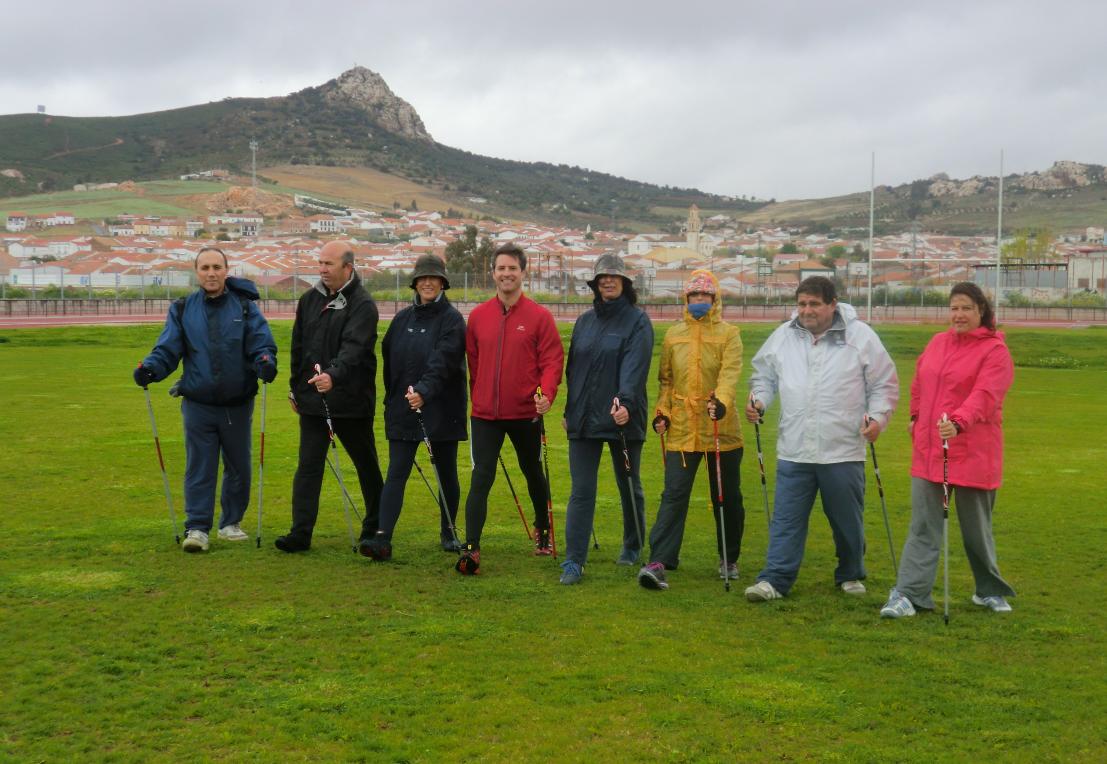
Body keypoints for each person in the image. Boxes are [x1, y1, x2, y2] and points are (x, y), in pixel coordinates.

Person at [744, 276, 898, 602]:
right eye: (802, 304)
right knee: (786, 520)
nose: (807, 310)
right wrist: (758, 400)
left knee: (846, 522)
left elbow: (883, 384)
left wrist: (878, 418)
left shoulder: (861, 337)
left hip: (842, 449)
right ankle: (774, 580)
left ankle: (851, 573)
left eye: (814, 304)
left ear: (832, 304)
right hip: (794, 448)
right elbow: (764, 376)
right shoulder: (783, 337)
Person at [881, 282, 1016, 618]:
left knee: (976, 530)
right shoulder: (937, 343)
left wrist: (959, 422)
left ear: (981, 311)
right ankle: (910, 594)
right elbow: (918, 384)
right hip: (931, 451)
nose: (959, 315)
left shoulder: (995, 352)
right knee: (924, 526)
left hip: (973, 451)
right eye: (954, 308)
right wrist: (915, 416)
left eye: (966, 308)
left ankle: (988, 590)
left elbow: (986, 395)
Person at [134, 245, 277, 553]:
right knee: (200, 467)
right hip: (198, 404)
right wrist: (151, 368)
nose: (211, 273)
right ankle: (197, 528)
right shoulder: (183, 308)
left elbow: (260, 342)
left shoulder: (244, 306)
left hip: (238, 403)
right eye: (205, 268)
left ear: (227, 270)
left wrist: (265, 361)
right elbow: (168, 348)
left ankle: (230, 523)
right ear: (196, 272)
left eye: (217, 267)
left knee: (239, 466)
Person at [455, 242, 564, 574]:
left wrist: (546, 393)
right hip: (486, 414)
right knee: (481, 477)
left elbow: (552, 360)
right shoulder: (478, 316)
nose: (506, 274)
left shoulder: (540, 317)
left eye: (512, 268)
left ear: (523, 272)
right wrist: (480, 395)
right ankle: (471, 547)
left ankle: (543, 530)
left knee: (532, 470)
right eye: (501, 268)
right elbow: (473, 359)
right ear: (493, 274)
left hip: (525, 413)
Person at [637, 270, 745, 591]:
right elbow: (666, 382)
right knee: (673, 495)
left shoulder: (730, 334)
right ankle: (660, 561)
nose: (699, 302)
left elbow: (729, 375)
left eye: (705, 296)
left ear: (715, 299)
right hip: (682, 431)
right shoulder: (673, 335)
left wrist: (721, 402)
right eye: (694, 296)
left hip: (720, 430)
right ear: (686, 300)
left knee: (726, 498)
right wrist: (663, 413)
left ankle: (729, 557)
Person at [275, 241, 383, 554]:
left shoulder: (363, 305)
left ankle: (376, 527)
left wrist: (333, 375)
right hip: (313, 403)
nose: (322, 269)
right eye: (320, 263)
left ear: (348, 268)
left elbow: (354, 349)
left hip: (351, 403)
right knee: (308, 467)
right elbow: (299, 348)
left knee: (366, 466)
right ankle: (300, 532)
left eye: (329, 264)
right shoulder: (309, 300)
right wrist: (296, 387)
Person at [362, 254, 467, 561]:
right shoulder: (401, 319)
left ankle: (449, 532)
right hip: (404, 407)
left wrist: (424, 390)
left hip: (442, 408)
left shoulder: (452, 320)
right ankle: (382, 537)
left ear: (443, 283)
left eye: (433, 278)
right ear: (415, 283)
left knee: (446, 472)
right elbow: (388, 359)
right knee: (396, 472)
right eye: (422, 278)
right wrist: (396, 397)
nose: (428, 282)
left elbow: (443, 362)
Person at [558, 254, 653, 585]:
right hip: (584, 418)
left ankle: (633, 544)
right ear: (596, 285)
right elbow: (575, 370)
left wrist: (625, 403)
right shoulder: (584, 322)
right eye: (602, 278)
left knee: (629, 485)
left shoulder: (638, 322)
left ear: (625, 283)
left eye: (613, 277)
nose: (607, 282)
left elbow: (635, 368)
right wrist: (570, 411)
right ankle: (573, 561)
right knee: (581, 490)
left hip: (621, 417)